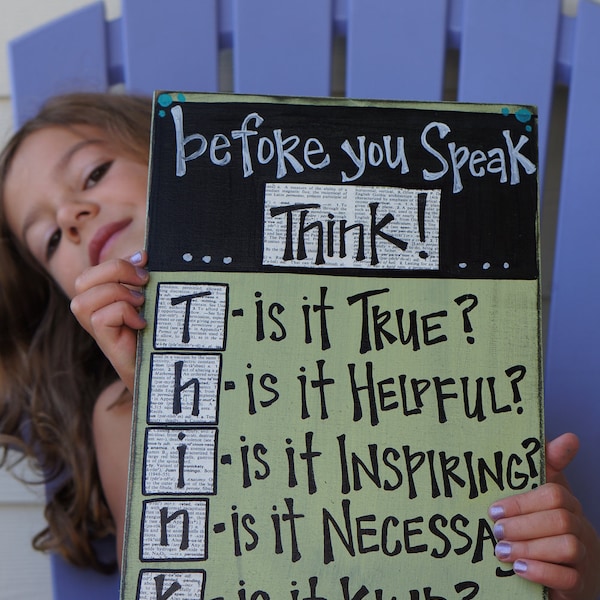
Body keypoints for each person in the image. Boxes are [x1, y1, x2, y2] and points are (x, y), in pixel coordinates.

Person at [0, 93, 598, 598]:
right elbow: (182, 577)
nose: (73, 217)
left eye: (94, 174)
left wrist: (568, 568)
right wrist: (156, 381)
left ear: (180, 152)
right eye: (51, 237)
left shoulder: (389, 319)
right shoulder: (119, 411)